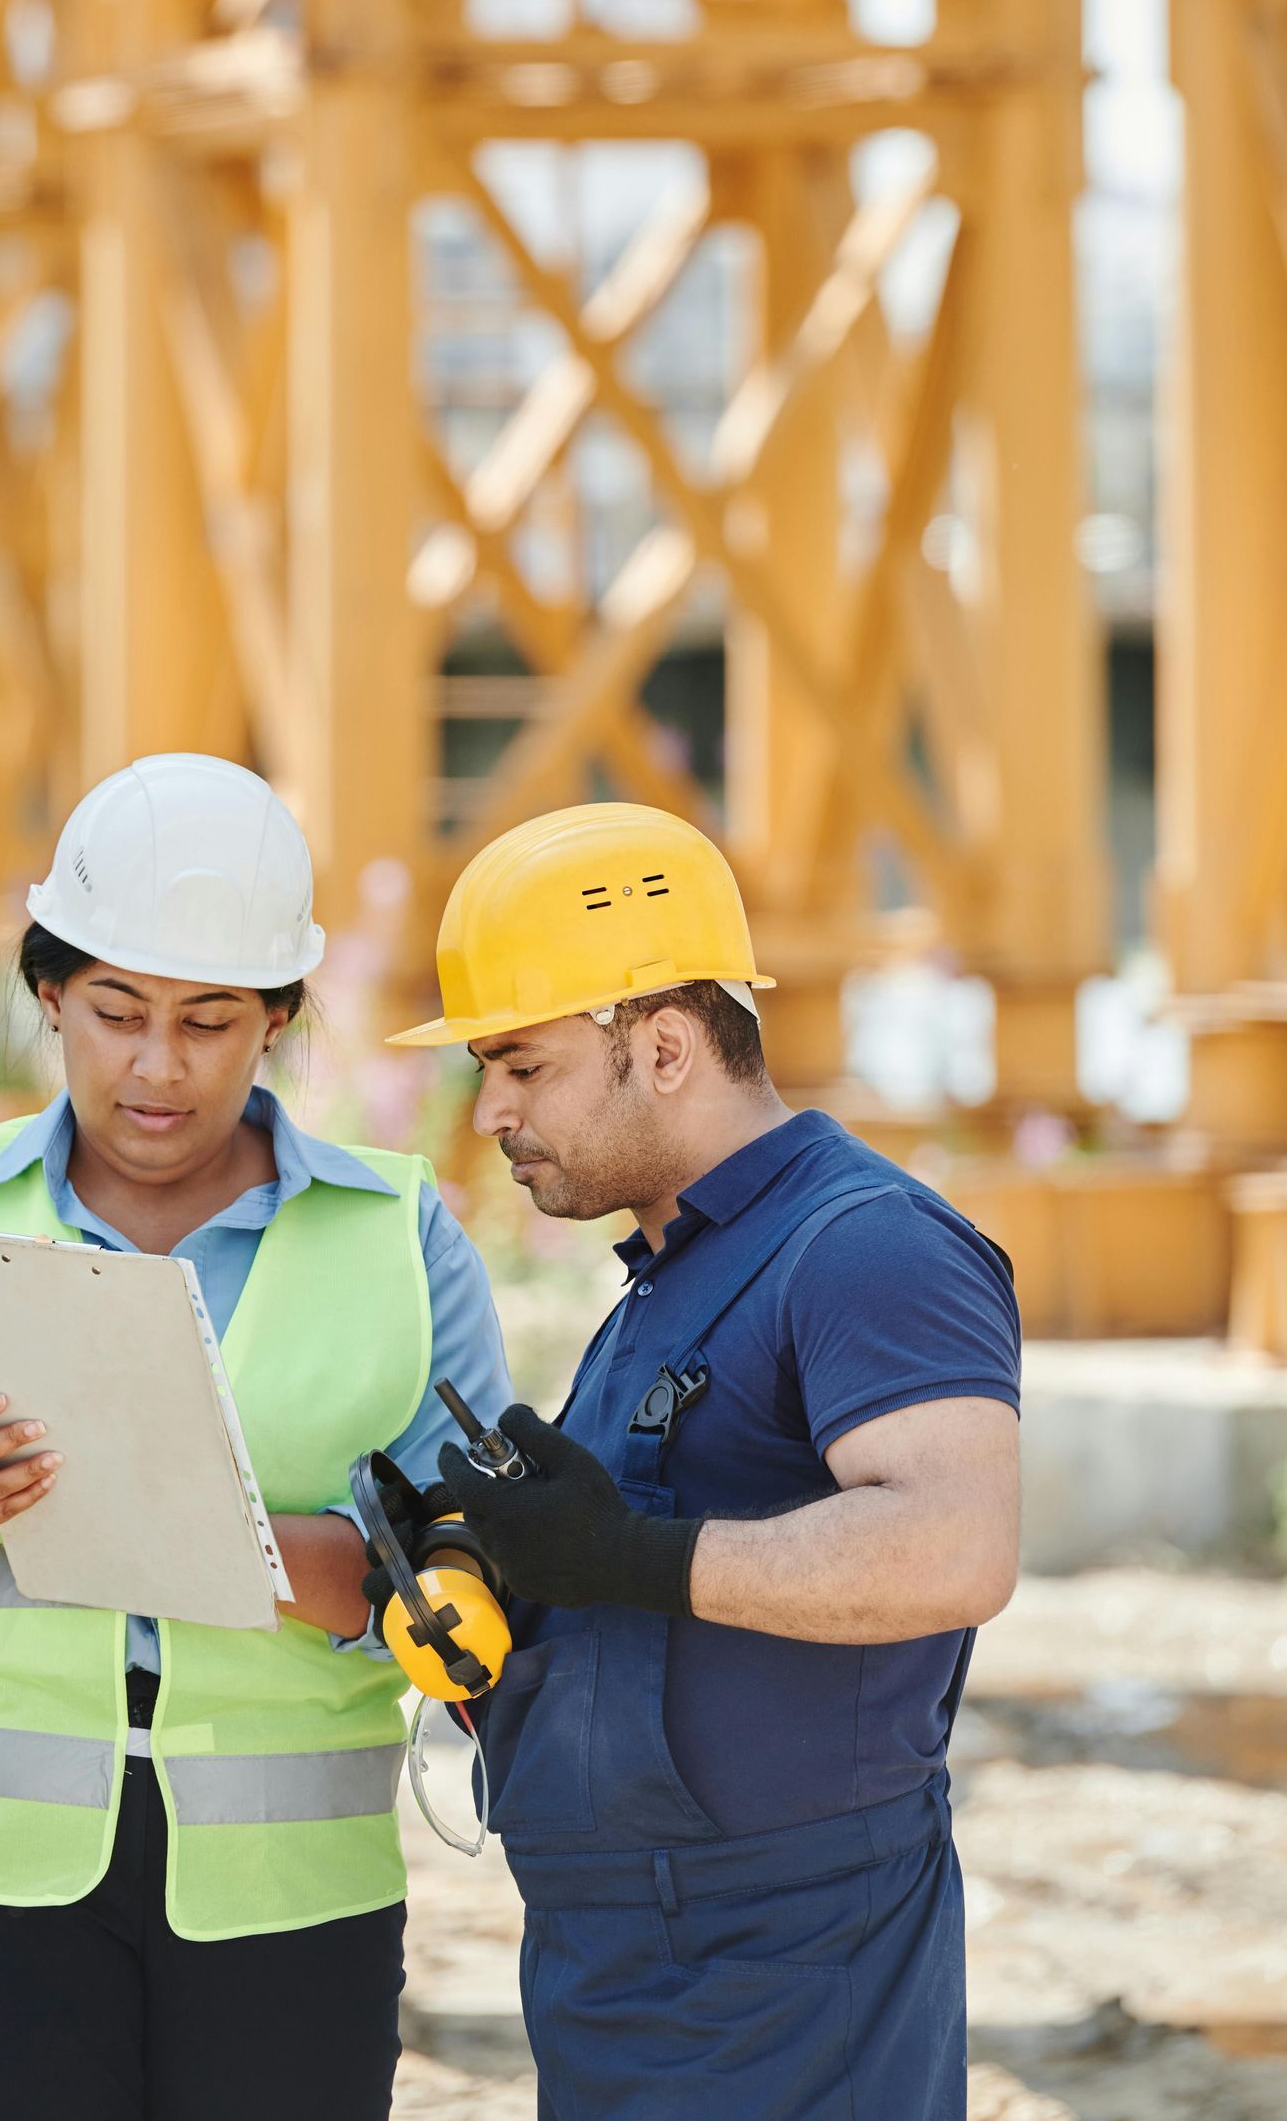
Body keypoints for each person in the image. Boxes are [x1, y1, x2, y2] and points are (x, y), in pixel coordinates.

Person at [0, 753, 510, 2121]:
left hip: (292, 1895)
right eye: (116, 1012)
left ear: (279, 1016)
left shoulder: (400, 1242)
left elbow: (480, 1570)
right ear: (49, 992)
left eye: (211, 1021)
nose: (158, 1068)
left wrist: (251, 1553)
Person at [384, 801, 1020, 2121]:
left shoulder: (867, 1247)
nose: (489, 1108)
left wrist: (631, 1556)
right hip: (632, 1962)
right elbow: (654, 1595)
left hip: (785, 1969)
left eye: (520, 1064)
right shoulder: (670, 1279)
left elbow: (957, 1544)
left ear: (663, 1044)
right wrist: (490, 1576)